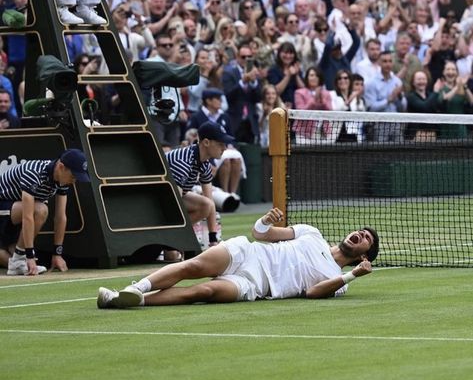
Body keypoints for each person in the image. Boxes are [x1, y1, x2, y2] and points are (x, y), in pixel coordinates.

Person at [96, 207, 379, 308]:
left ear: (363, 255)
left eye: (365, 237)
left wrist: (353, 275)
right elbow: (261, 234)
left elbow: (312, 293)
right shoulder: (311, 233)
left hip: (257, 285)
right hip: (249, 253)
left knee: (203, 291)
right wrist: (266, 221)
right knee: (194, 265)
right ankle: (137, 287)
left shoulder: (340, 281)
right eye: (360, 230)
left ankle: (127, 300)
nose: (358, 233)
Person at [0, 149, 90, 276]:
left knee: (12, 259)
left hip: (12, 216)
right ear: (61, 167)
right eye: (73, 176)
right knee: (40, 210)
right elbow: (28, 216)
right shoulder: (33, 173)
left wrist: (57, 254)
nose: (74, 181)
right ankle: (19, 259)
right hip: (6, 208)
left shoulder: (62, 181)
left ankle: (17, 260)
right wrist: (29, 256)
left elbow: (60, 217)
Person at [165, 122, 234, 252]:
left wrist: (213, 241)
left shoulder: (204, 163)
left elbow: (210, 203)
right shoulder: (183, 162)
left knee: (206, 205)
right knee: (172, 255)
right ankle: (170, 237)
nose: (224, 148)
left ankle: (172, 237)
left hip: (171, 197)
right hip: (159, 200)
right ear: (206, 142)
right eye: (220, 144)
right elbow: (173, 203)